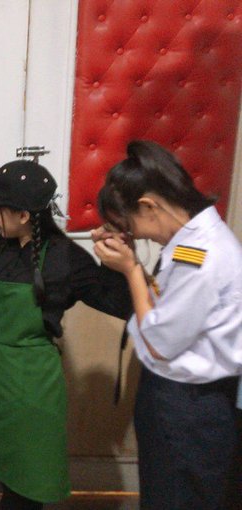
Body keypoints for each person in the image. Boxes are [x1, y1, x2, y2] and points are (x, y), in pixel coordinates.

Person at [0, 159, 132, 510]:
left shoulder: (65, 258)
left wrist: (118, 262)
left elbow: (119, 303)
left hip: (35, 391)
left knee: (24, 484)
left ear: (23, 215)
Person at [93, 140, 242, 510]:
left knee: (175, 498)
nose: (136, 234)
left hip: (189, 408)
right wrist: (131, 262)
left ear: (149, 205)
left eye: (129, 224)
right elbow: (167, 304)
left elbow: (159, 341)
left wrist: (130, 270)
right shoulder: (191, 240)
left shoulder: (202, 255)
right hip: (181, 401)